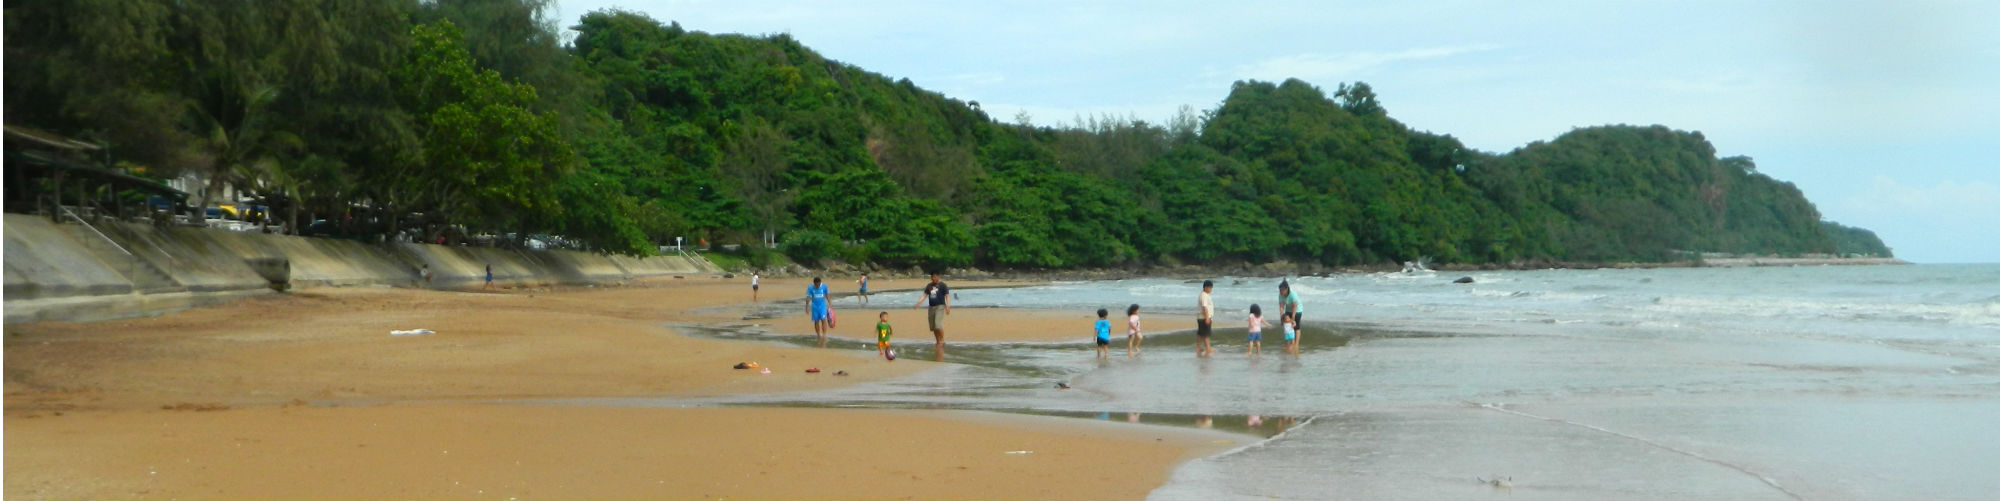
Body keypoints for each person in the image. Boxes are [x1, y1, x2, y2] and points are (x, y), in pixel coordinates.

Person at [913, 273, 950, 360]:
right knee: (933, 326)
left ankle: (942, 341)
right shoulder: (929, 286)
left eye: (934, 277)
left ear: (938, 277)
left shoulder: (943, 285)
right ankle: (938, 341)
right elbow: (924, 295)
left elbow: (947, 296)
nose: (933, 278)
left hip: (940, 306)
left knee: (938, 324)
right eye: (932, 277)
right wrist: (918, 303)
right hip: (931, 307)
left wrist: (948, 306)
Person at [808, 277, 831, 347]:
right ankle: (818, 335)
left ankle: (824, 335)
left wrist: (829, 303)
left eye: (818, 284)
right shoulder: (810, 288)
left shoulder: (824, 286)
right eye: (816, 284)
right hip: (814, 307)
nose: (817, 286)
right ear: (814, 283)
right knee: (816, 321)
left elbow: (827, 294)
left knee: (823, 320)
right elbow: (808, 296)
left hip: (822, 306)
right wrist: (806, 306)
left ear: (820, 283)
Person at [1280, 280, 1303, 346]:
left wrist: (1292, 319)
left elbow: (1294, 306)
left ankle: (1296, 344)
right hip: (1288, 309)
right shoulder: (1280, 295)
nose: (1281, 292)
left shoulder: (1292, 294)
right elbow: (1281, 307)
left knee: (1296, 326)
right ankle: (1288, 343)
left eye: (1282, 290)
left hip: (1297, 310)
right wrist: (1281, 318)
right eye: (1280, 290)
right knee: (1287, 324)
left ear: (1286, 289)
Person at [1196, 280, 1216, 358]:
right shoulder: (1204, 295)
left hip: (1202, 317)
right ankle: (1207, 348)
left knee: (1201, 334)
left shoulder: (1204, 295)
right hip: (1203, 317)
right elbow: (1204, 307)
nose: (1211, 290)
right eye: (1210, 288)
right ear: (1206, 287)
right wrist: (1207, 318)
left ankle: (1199, 348)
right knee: (1205, 334)